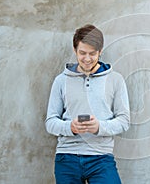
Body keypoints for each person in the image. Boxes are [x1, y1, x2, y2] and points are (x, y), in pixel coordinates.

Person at [45, 24, 130, 184]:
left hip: (101, 158)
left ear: (100, 51)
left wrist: (99, 127)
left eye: (92, 53)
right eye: (82, 53)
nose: (87, 58)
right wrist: (70, 127)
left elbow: (124, 122)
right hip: (67, 157)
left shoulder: (115, 80)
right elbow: (50, 122)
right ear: (75, 50)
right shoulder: (61, 81)